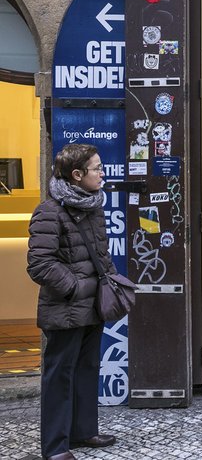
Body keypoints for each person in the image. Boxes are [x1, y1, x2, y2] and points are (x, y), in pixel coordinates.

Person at [27, 144, 120, 460]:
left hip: (93, 306)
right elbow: (39, 263)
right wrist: (76, 288)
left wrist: (110, 282)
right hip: (66, 308)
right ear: (77, 175)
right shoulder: (49, 212)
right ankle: (55, 447)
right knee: (59, 376)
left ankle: (83, 432)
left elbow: (99, 254)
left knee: (87, 368)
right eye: (96, 168)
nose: (102, 172)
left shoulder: (93, 207)